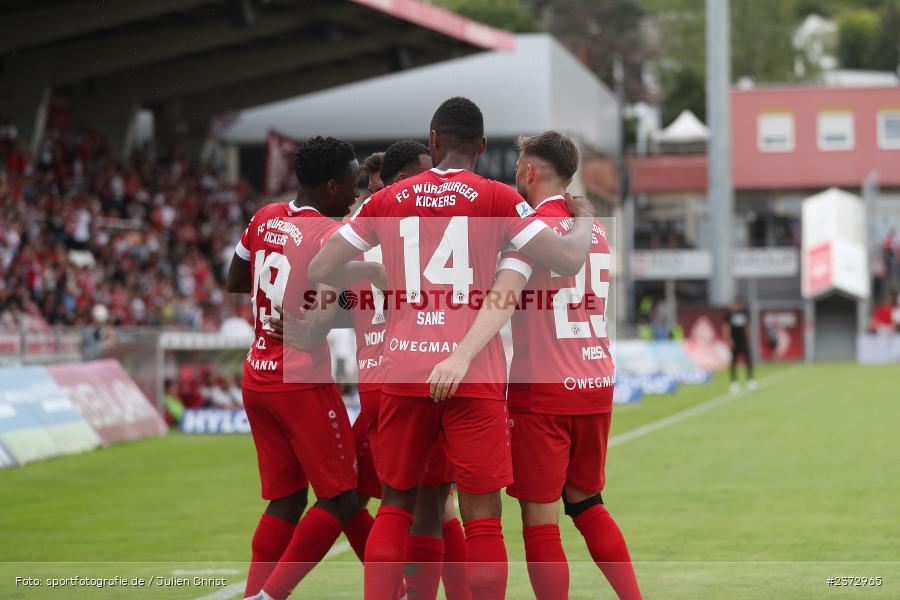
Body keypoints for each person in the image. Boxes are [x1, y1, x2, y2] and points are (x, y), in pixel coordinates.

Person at [309, 97, 595, 600]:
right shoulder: (499, 198)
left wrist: (374, 269)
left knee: (396, 506)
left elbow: (320, 267)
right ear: (482, 146)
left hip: (404, 368)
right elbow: (568, 259)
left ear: (434, 140)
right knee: (482, 517)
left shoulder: (387, 200)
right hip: (473, 371)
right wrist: (585, 218)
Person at [428, 131, 642, 599]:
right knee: (587, 503)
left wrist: (460, 353)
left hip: (545, 390)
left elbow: (504, 296)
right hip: (596, 379)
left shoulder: (530, 229)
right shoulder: (594, 229)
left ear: (528, 172)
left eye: (517, 168)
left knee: (541, 523)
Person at [227, 136, 376, 600]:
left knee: (287, 500)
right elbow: (316, 328)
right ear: (331, 186)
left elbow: (234, 278)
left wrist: (279, 298)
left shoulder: (265, 217)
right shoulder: (330, 237)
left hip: (257, 375)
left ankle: (256, 592)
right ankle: (274, 595)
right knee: (342, 496)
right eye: (351, 183)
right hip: (301, 381)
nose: (355, 194)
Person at [723, 297, 755, 393]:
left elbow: (747, 326)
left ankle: (750, 380)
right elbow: (726, 327)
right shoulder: (730, 314)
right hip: (734, 341)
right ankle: (734, 382)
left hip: (743, 340)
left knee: (748, 360)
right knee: (733, 361)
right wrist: (729, 339)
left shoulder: (745, 313)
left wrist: (749, 338)